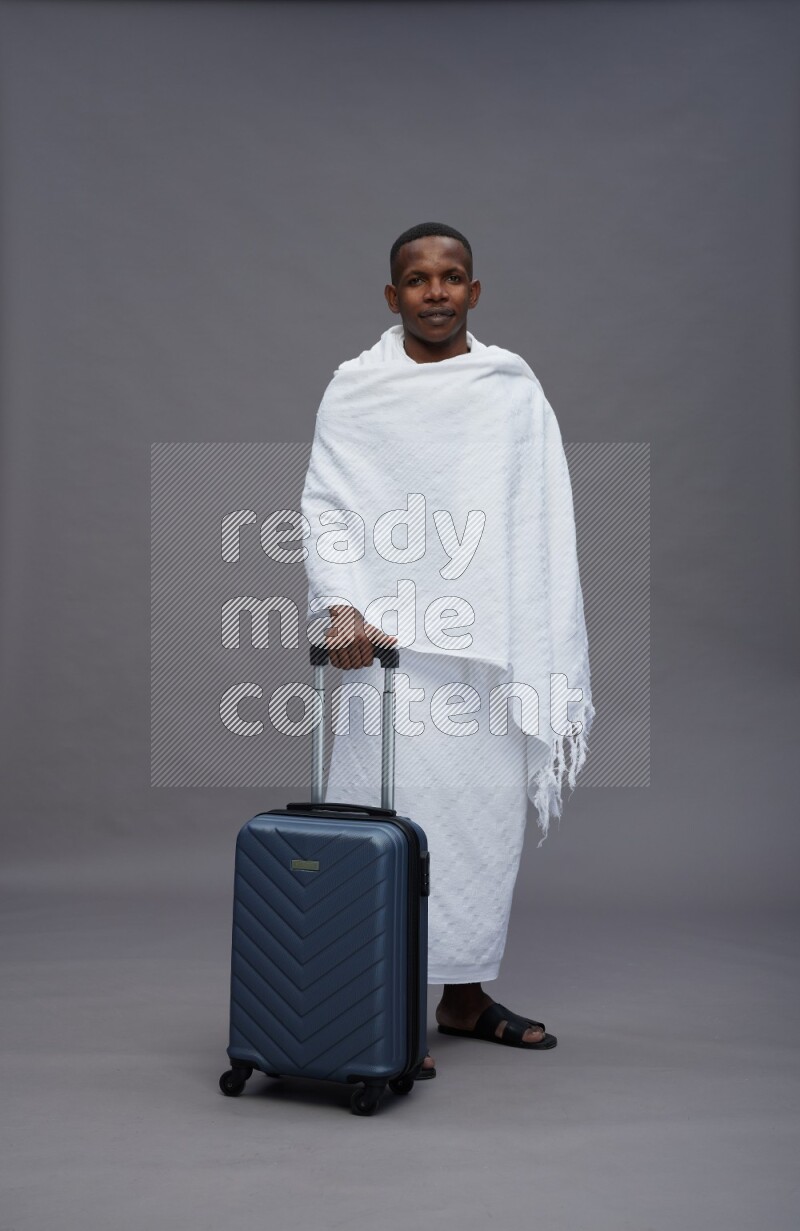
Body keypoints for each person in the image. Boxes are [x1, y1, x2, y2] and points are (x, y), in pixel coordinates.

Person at [300, 222, 595, 1078]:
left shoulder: (510, 389)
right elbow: (327, 504)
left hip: (486, 646)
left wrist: (525, 627)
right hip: (385, 645)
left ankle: (462, 998)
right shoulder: (356, 389)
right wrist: (341, 607)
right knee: (381, 816)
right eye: (419, 278)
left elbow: (540, 516)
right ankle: (378, 1002)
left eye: (453, 276)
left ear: (474, 290)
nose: (436, 291)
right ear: (392, 295)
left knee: (479, 823)